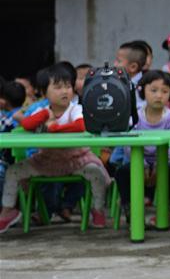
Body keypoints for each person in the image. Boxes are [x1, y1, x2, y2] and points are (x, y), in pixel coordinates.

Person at [0, 63, 110, 233]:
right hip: (46, 161)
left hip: (76, 161)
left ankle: (98, 209)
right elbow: (27, 124)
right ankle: (8, 210)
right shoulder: (43, 110)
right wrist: (44, 115)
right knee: (13, 172)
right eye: (58, 87)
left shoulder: (75, 109)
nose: (65, 91)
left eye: (68, 86)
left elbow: (80, 125)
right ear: (44, 93)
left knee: (96, 173)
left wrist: (54, 128)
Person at [112, 71, 170, 226]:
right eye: (153, 90)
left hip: (167, 161)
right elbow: (128, 145)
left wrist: (160, 165)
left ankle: (169, 210)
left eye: (164, 91)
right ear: (142, 91)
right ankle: (132, 210)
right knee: (122, 172)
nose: (159, 95)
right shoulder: (134, 118)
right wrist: (144, 165)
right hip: (139, 161)